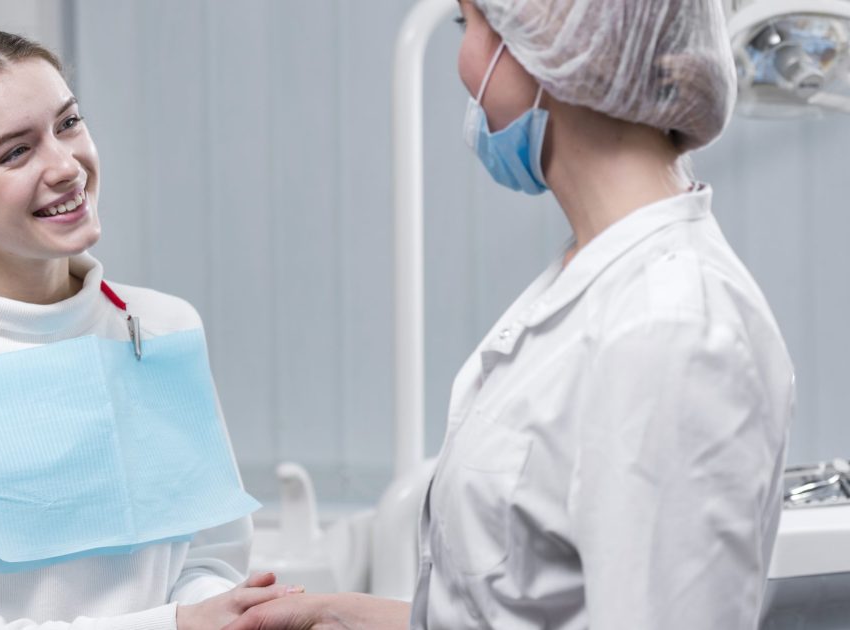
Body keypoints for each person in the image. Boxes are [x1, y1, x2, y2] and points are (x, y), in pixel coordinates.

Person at [229, 0, 794, 628]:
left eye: (466, 23)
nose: (462, 62)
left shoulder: (672, 332)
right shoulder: (600, 278)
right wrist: (340, 612)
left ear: (555, 45)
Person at [0, 25, 296, 630]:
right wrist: (172, 625)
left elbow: (210, 555)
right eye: (16, 151)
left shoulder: (162, 329)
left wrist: (217, 610)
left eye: (68, 123)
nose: (66, 166)